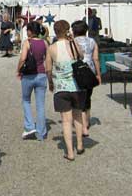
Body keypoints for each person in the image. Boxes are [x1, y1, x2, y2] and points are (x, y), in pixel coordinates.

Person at [45, 20, 86, 161]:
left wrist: (50, 82)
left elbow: (48, 69)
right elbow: (82, 56)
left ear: (55, 32)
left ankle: (70, 152)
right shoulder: (74, 45)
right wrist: (72, 40)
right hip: (77, 86)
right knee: (78, 116)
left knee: (66, 121)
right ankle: (80, 145)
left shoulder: (51, 48)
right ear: (68, 30)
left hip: (61, 87)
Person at [17, 22, 48, 140]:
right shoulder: (44, 42)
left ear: (30, 31)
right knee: (40, 104)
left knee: (26, 100)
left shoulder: (27, 42)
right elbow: (48, 58)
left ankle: (29, 126)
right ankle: (41, 132)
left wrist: (18, 70)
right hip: (41, 74)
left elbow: (22, 58)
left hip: (29, 75)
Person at [72, 21, 102, 137]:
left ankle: (83, 126)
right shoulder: (92, 41)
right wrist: (98, 74)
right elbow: (96, 59)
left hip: (78, 71)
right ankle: (87, 121)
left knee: (80, 99)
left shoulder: (73, 42)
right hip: (90, 71)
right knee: (88, 97)